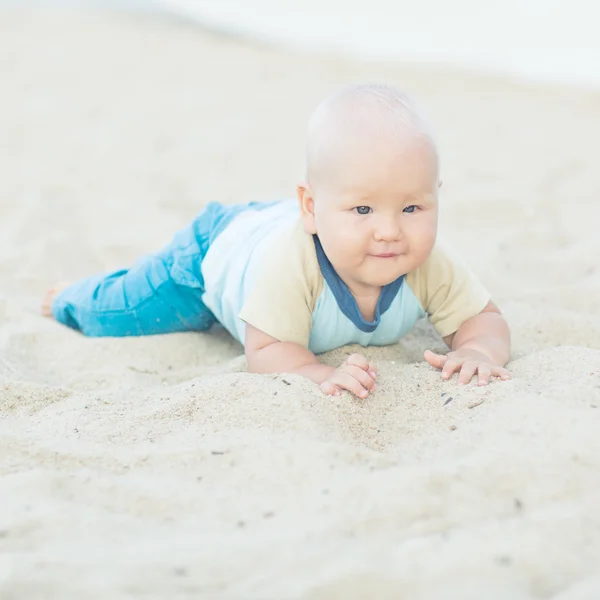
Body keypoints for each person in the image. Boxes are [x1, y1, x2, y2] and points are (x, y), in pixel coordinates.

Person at [42, 83, 511, 397]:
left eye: (412, 208)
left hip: (271, 223)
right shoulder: (294, 263)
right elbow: (266, 350)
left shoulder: (428, 258)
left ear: (435, 197)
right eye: (363, 209)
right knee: (123, 310)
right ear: (312, 209)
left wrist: (478, 351)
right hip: (213, 254)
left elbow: (482, 319)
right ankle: (69, 295)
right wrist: (318, 374)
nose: (389, 230)